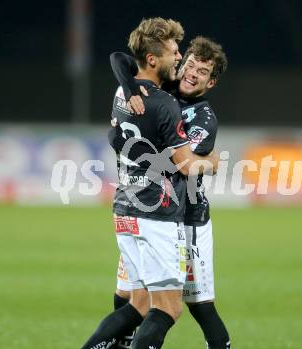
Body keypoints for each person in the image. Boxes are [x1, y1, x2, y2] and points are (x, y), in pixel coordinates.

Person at [80, 17, 219, 349]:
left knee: (138, 303)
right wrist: (214, 162)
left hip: (125, 208)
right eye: (174, 52)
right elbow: (186, 165)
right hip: (155, 215)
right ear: (154, 59)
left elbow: (121, 60)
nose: (179, 59)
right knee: (168, 307)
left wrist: (129, 86)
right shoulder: (165, 104)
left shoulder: (121, 90)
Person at [109, 36, 231, 349]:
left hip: (188, 218)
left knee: (198, 307)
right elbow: (120, 59)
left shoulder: (203, 118)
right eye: (189, 63)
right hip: (152, 211)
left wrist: (210, 162)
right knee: (128, 295)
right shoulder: (161, 90)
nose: (192, 72)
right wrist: (131, 87)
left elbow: (176, 163)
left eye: (202, 71)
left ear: (211, 82)